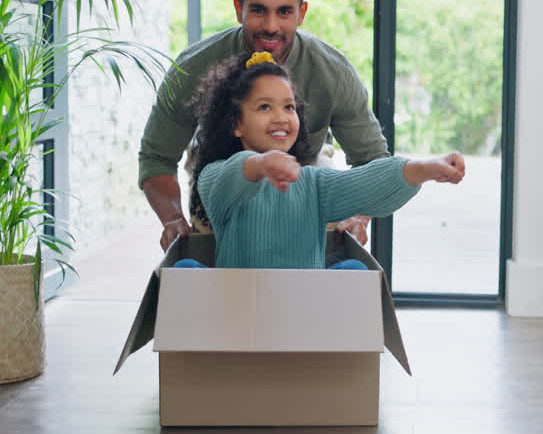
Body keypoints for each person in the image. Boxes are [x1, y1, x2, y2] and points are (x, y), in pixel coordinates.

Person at [139, 0, 389, 250]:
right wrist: (172, 220)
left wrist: (358, 218)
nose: (271, 26)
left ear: (302, 12)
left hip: (304, 180)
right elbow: (156, 158)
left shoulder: (332, 71)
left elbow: (373, 161)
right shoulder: (192, 67)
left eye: (284, 11)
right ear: (238, 9)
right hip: (218, 187)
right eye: (258, 10)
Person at [172, 51, 464, 270]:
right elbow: (233, 176)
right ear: (236, 124)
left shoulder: (312, 183)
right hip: (241, 311)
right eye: (264, 107)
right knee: (184, 271)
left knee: (354, 271)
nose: (281, 117)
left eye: (289, 107)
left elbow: (364, 184)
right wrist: (261, 165)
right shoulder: (216, 177)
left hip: (305, 313)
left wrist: (423, 169)